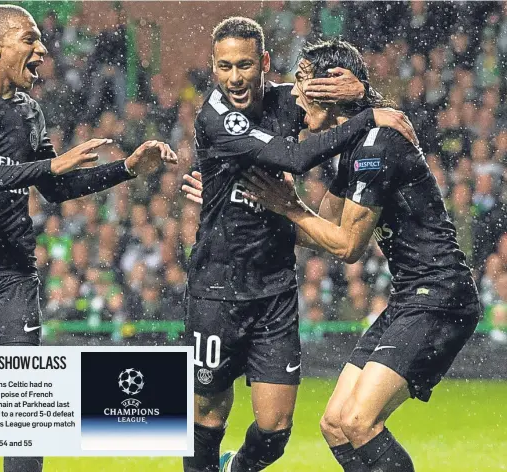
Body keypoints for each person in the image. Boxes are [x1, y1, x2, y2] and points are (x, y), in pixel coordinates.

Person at [0, 5, 176, 472]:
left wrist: (127, 169)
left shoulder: (28, 111)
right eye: (29, 39)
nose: (41, 49)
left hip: (11, 274)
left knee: (21, 406)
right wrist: (50, 165)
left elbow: (57, 188)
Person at [182, 17, 417, 472]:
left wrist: (359, 94)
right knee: (207, 413)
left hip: (274, 290)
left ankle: (236, 468)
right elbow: (294, 157)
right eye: (225, 66)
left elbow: (326, 104)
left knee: (275, 430)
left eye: (246, 65)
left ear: (265, 63)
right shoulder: (216, 115)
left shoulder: (283, 102)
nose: (235, 78)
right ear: (213, 68)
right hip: (217, 288)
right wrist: (372, 117)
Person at [240, 39, 481, 472]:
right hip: (411, 298)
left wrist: (289, 206)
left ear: (331, 88)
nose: (296, 96)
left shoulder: (377, 143)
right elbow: (319, 230)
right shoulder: (352, 149)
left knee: (359, 421)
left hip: (440, 297)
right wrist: (242, 207)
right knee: (335, 423)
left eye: (302, 83)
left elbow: (348, 247)